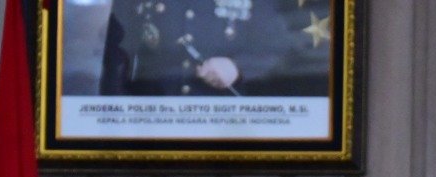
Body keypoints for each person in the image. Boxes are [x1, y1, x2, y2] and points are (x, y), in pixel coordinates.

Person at [99, 0, 333, 97]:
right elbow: (116, 54)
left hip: (220, 123)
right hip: (150, 121)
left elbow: (277, 48)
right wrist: (112, 114)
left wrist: (238, 67)